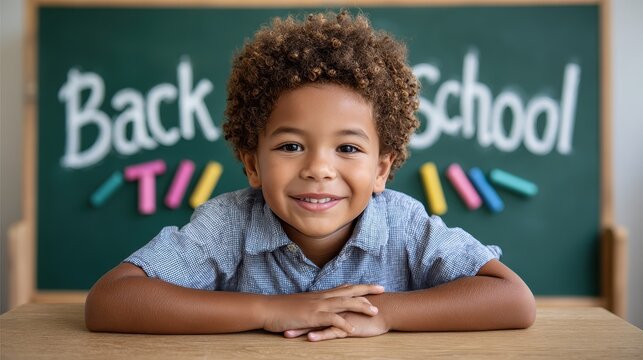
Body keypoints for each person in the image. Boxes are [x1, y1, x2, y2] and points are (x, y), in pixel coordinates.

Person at [85, 10, 535, 341]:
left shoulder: (406, 225)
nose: (319, 168)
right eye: (290, 146)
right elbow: (110, 301)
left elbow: (513, 299)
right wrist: (268, 310)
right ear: (252, 164)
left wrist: (387, 312)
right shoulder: (227, 224)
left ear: (381, 169)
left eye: (348, 148)